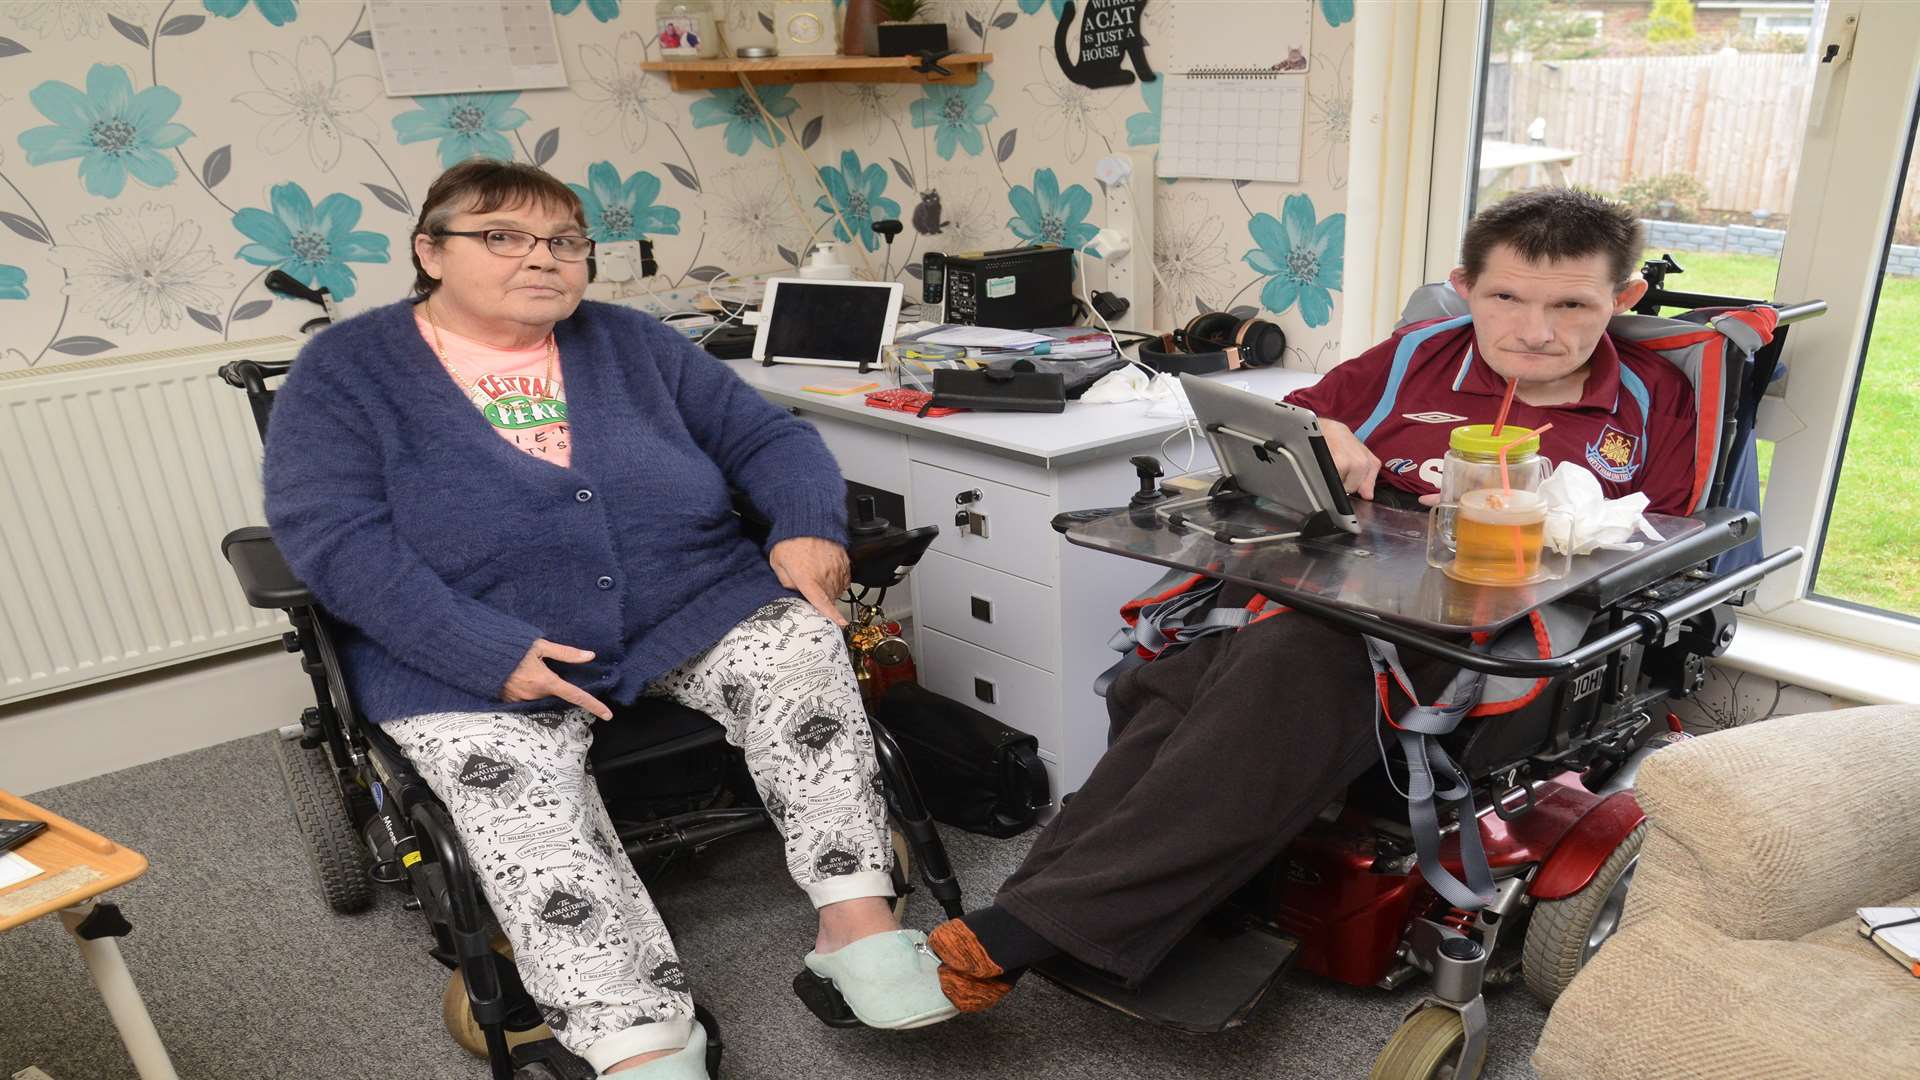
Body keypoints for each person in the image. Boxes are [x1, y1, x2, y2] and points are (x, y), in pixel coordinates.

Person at [924, 187, 1698, 1009]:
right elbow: (1284, 425)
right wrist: (1329, 436)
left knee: (1286, 665)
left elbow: (1670, 541)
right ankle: (1026, 917)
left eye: (1572, 305)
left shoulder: (1652, 401)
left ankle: (1029, 930)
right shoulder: (1413, 357)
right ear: (1464, 284)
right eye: (1506, 297)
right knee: (1168, 681)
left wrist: (1548, 525)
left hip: (1486, 624)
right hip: (1339, 584)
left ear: (1622, 300)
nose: (1536, 331)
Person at [263, 160, 954, 1080]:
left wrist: (804, 528)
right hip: (468, 643)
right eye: (502, 236)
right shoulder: (345, 372)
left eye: (565, 241)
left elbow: (769, 439)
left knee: (799, 643)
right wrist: (481, 649)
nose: (542, 259)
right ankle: (634, 1036)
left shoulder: (631, 341)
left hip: (683, 602)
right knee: (518, 802)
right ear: (429, 251)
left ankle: (856, 923)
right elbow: (334, 538)